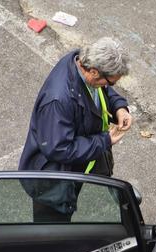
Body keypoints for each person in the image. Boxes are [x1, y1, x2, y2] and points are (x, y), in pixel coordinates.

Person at [19, 37, 133, 222]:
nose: (110, 87)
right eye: (110, 82)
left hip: (78, 166)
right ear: (94, 72)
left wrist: (119, 106)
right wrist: (104, 141)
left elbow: (101, 91)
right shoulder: (58, 101)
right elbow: (58, 148)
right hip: (53, 181)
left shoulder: (81, 62)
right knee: (52, 231)